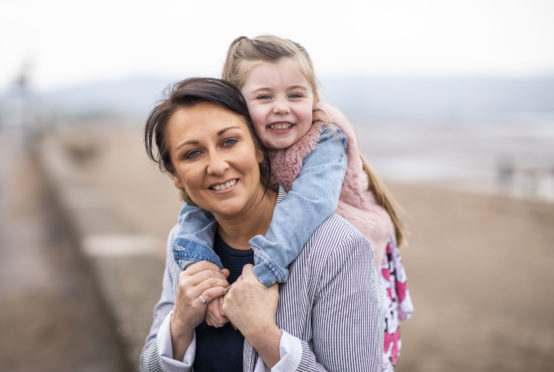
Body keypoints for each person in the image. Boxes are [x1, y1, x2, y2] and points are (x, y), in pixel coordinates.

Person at [173, 35, 413, 371]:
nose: (282, 107)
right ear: (237, 106)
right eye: (265, 97)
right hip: (295, 238)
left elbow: (307, 206)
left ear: (314, 99)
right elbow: (195, 207)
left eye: (295, 95)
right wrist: (197, 265)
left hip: (351, 248)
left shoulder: (324, 137)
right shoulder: (238, 146)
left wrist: (261, 273)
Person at [140, 77, 383, 371]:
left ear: (257, 149)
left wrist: (265, 336)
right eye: (193, 153)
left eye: (229, 142)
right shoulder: (182, 243)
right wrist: (178, 324)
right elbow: (148, 365)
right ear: (176, 176)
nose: (217, 166)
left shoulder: (337, 248)